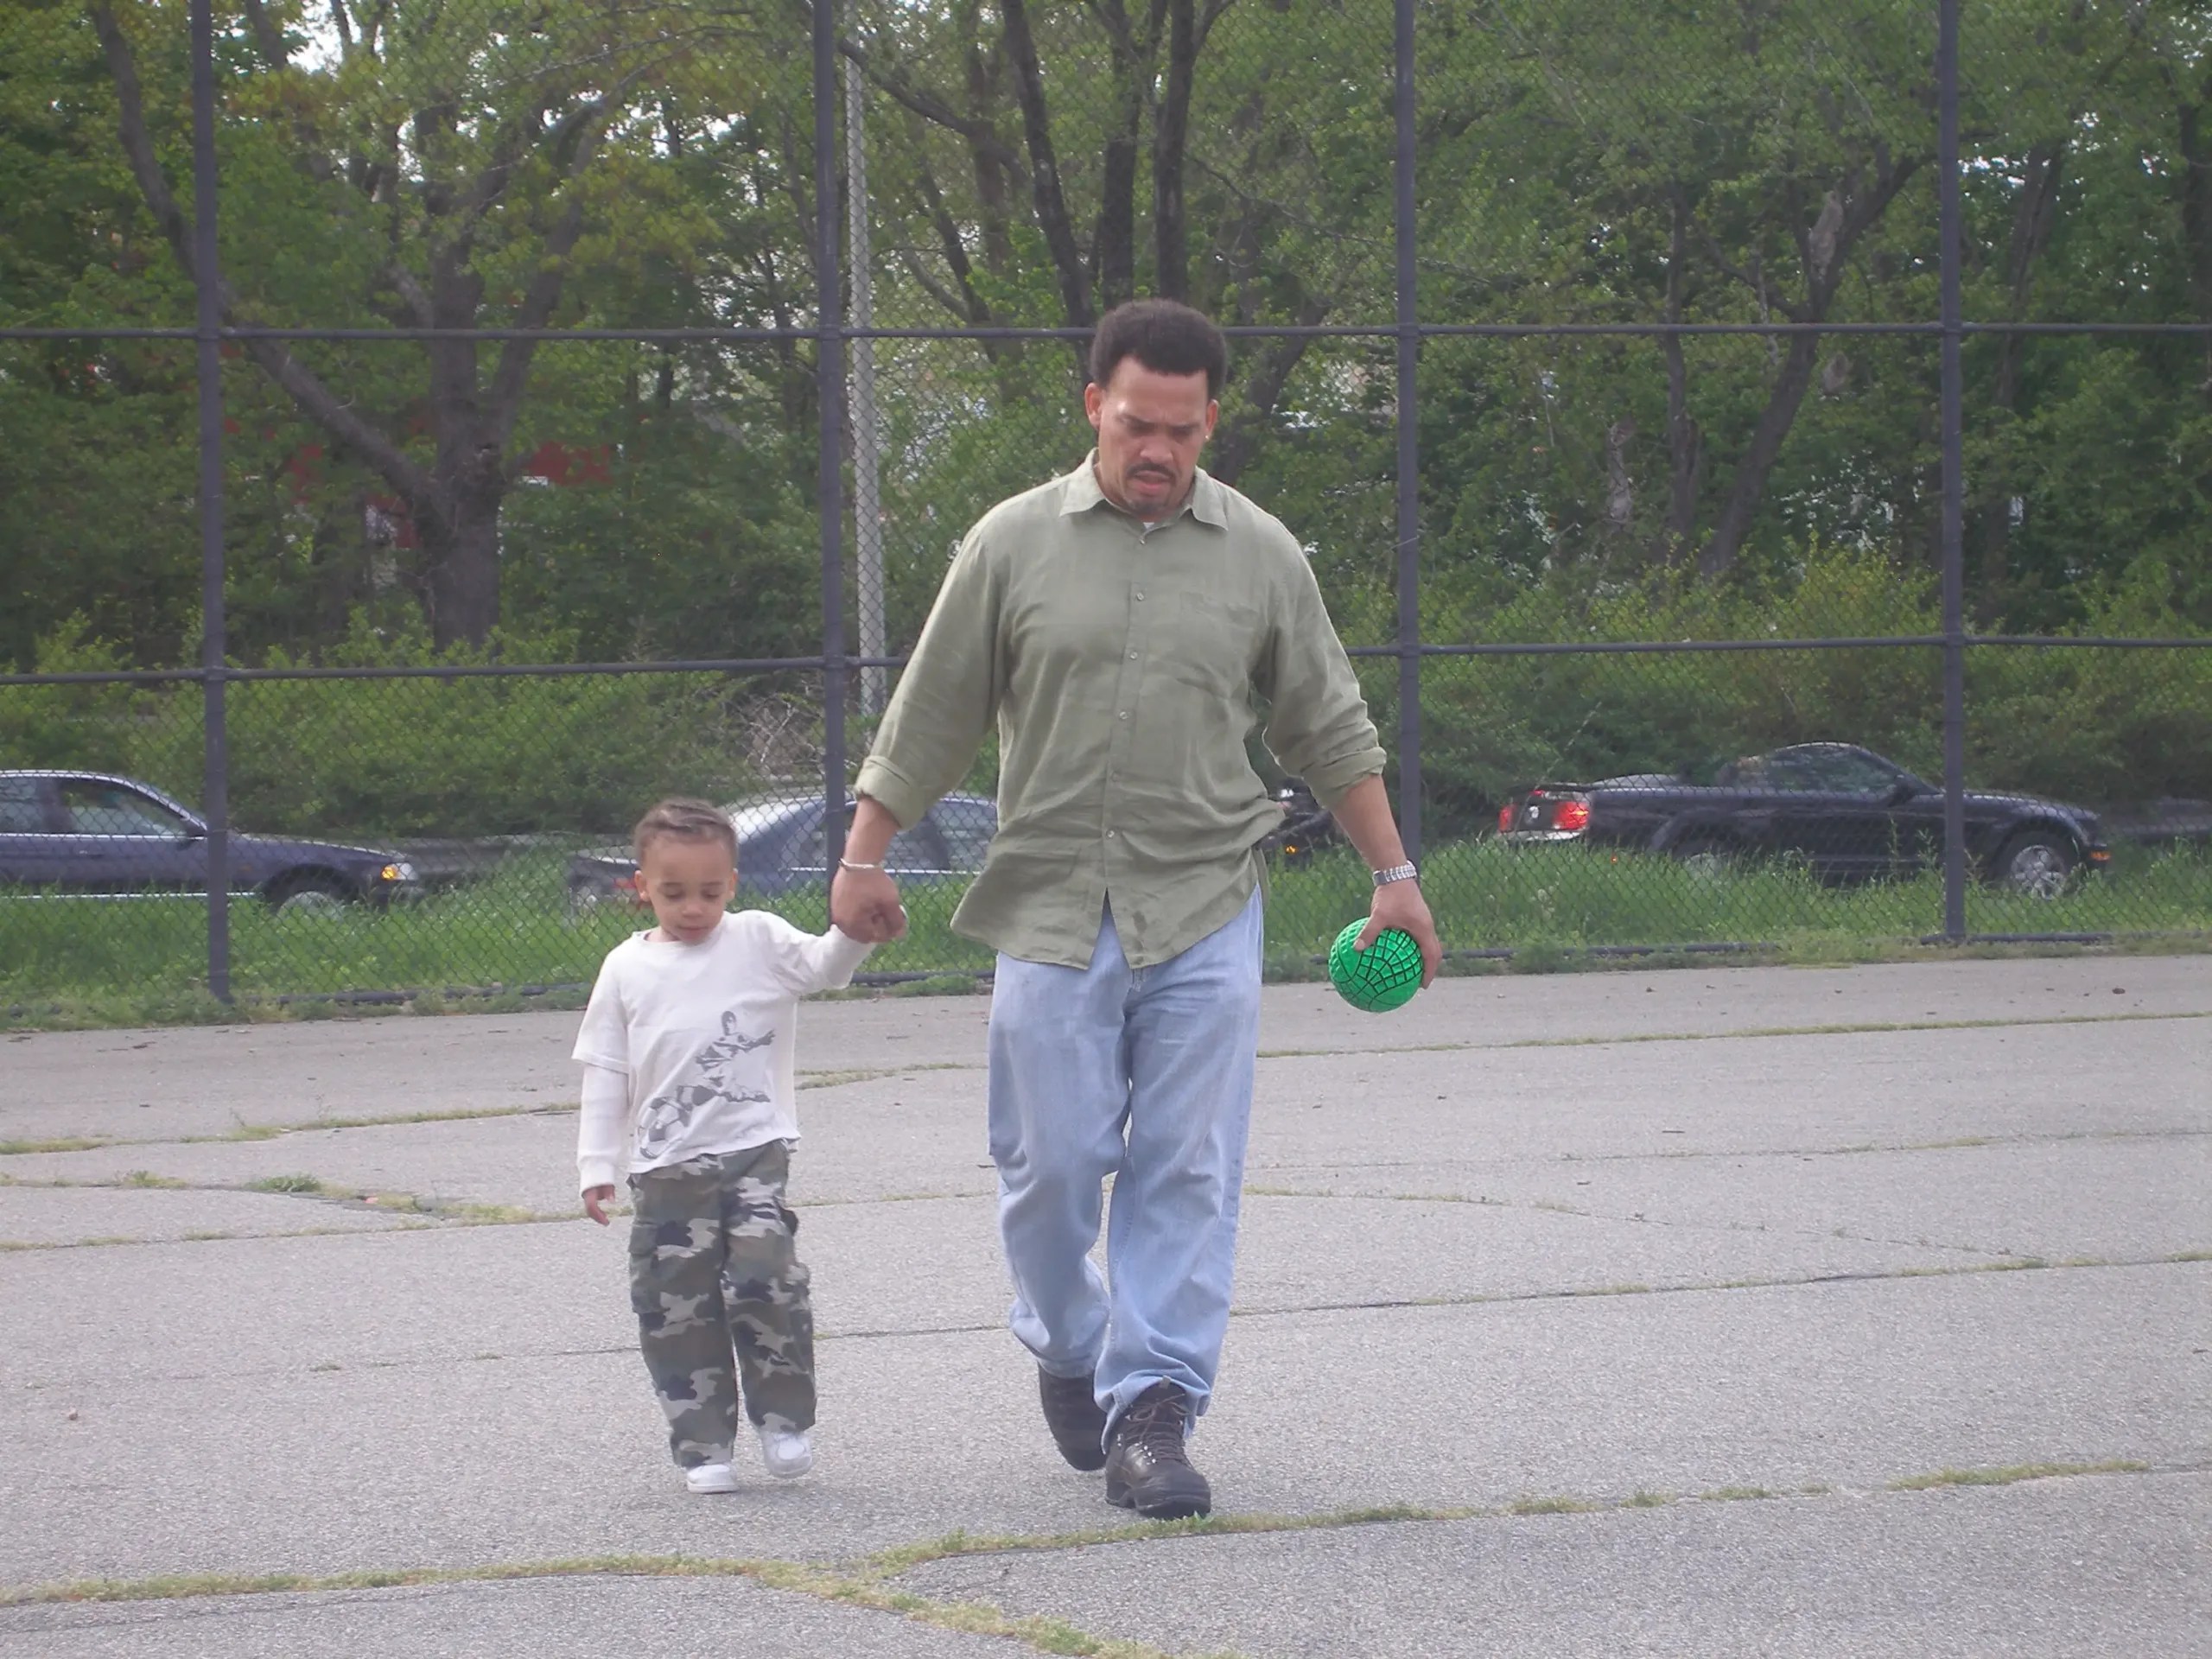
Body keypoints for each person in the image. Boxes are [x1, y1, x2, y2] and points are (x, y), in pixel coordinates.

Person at [831, 298, 1440, 1519]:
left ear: (1211, 420)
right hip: (1050, 905)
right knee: (1047, 1165)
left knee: (1184, 1169)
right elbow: (934, 710)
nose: (1153, 450)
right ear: (1092, 409)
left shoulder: (1263, 554)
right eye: (1132, 425)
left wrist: (1395, 875)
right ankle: (1069, 1342)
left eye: (1178, 429)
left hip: (1206, 897)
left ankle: (1153, 1412)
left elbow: (1327, 723)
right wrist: (863, 855)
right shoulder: (1010, 544)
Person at [575, 798, 884, 1494]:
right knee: (676, 1302)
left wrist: (857, 932)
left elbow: (826, 967)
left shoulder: (757, 941)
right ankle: (704, 1443)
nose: (693, 908)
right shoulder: (625, 969)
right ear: (642, 885)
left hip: (753, 1150)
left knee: (765, 1278)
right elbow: (606, 1071)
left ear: (733, 884)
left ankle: (783, 1420)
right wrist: (597, 1164)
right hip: (665, 1169)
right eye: (674, 892)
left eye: (710, 892)